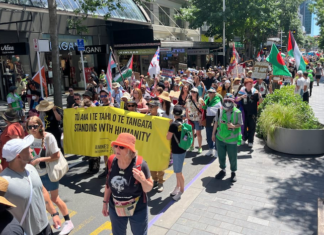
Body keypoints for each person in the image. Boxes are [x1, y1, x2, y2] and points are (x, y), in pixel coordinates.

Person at [0, 136, 61, 235]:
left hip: (46, 228)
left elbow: (42, 191)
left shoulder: (31, 168)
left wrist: (54, 213)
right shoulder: (3, 181)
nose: (31, 149)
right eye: (27, 148)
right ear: (18, 156)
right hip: (27, 232)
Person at [26, 117, 74, 235]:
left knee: (54, 198)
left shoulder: (48, 137)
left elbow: (57, 155)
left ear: (40, 126)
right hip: (35, 174)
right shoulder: (28, 138)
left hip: (48, 173)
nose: (32, 129)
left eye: (35, 126)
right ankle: (51, 221)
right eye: (30, 127)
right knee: (41, 200)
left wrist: (40, 160)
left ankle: (68, 221)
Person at [102, 133, 153, 235]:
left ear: (130, 150)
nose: (117, 149)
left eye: (121, 147)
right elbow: (108, 185)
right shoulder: (111, 161)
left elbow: (148, 188)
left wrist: (142, 180)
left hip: (137, 209)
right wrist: (105, 203)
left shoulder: (141, 164)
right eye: (116, 146)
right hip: (116, 207)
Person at [212, 94, 243, 182]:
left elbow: (240, 124)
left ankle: (233, 172)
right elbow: (216, 123)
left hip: (232, 140)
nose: (227, 103)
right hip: (220, 138)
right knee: (221, 156)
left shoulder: (237, 112)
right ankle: (223, 170)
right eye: (226, 101)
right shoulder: (219, 111)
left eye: (229, 101)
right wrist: (213, 134)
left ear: (232, 102)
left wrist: (233, 126)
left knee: (232, 157)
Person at [167, 105, 187, 201]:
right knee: (178, 171)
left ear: (173, 114)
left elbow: (168, 137)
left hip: (176, 150)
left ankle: (181, 191)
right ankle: (177, 187)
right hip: (183, 148)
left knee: (178, 172)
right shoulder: (183, 122)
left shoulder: (173, 125)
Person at [146, 100, 164, 192]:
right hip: (150, 144)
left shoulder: (162, 116)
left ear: (157, 107)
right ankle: (155, 180)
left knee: (160, 164)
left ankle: (161, 182)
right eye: (149, 106)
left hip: (160, 144)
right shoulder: (146, 117)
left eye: (152, 106)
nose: (150, 108)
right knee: (152, 164)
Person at [236, 78, 260, 147]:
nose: (251, 85)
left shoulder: (255, 92)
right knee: (244, 126)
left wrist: (260, 96)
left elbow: (260, 101)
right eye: (249, 84)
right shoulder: (241, 91)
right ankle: (244, 138)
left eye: (252, 83)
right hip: (244, 113)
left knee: (252, 127)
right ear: (246, 85)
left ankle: (250, 141)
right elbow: (236, 100)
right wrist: (241, 97)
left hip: (252, 112)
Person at [202, 88, 222, 157]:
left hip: (215, 119)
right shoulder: (207, 100)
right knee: (208, 134)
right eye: (208, 92)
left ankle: (216, 150)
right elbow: (204, 108)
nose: (209, 93)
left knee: (216, 135)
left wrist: (208, 109)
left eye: (211, 92)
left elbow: (218, 111)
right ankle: (210, 149)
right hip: (208, 119)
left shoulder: (217, 100)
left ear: (214, 93)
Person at [185, 87, 203, 153]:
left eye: (194, 92)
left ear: (197, 93)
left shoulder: (200, 100)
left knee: (198, 133)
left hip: (198, 119)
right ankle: (192, 146)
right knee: (191, 134)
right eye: (192, 92)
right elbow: (186, 109)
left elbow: (203, 110)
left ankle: (200, 147)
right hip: (190, 119)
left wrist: (201, 118)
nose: (193, 93)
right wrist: (187, 117)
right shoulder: (188, 100)